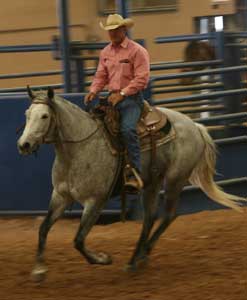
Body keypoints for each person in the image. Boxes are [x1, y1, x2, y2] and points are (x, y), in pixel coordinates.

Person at [84, 14, 150, 191]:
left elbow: (142, 79)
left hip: (131, 100)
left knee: (128, 129)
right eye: (109, 30)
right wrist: (93, 91)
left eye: (115, 30)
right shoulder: (105, 52)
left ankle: (135, 172)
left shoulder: (137, 51)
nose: (112, 33)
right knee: (92, 128)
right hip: (111, 99)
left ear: (124, 29)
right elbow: (101, 75)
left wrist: (122, 93)